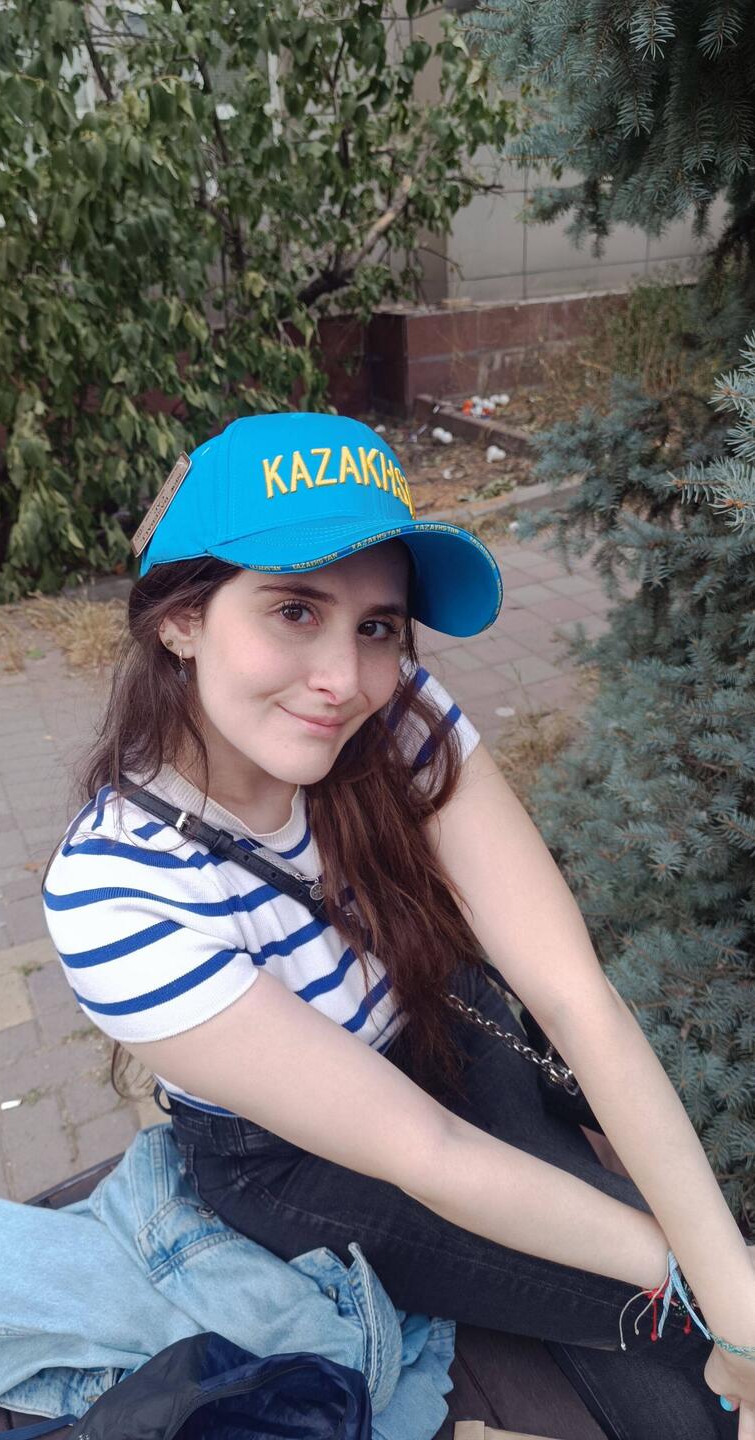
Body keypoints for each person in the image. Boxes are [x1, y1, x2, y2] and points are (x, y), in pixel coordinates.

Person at [42, 412, 755, 1440]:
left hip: (439, 1028)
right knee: (677, 1340)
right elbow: (428, 1151)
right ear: (181, 619)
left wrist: (725, 1280)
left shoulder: (396, 719)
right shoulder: (117, 892)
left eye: (377, 625)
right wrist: (712, 1291)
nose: (344, 681)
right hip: (306, 1161)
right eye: (295, 609)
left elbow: (574, 995)